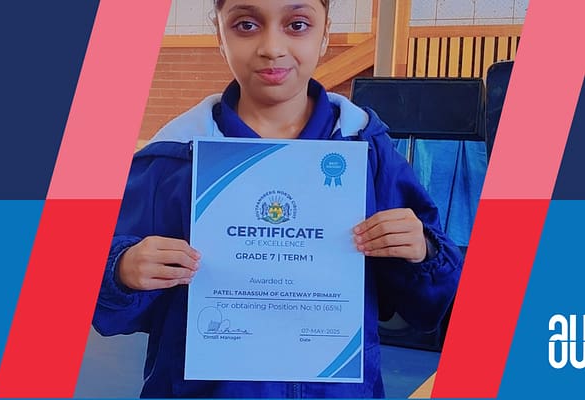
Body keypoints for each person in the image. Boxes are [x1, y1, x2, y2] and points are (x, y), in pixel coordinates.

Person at [93, 0, 463, 397]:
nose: (271, 47)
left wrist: (421, 251)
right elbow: (101, 291)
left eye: (297, 24)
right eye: (246, 25)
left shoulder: (369, 151)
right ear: (219, 33)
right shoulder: (172, 159)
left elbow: (426, 301)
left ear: (325, 33)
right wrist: (123, 269)